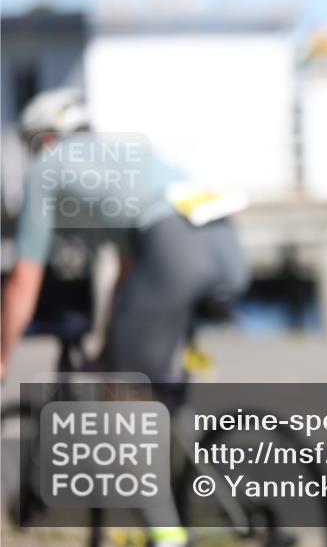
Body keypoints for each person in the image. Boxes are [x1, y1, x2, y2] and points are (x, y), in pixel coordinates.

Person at [1, 87, 250, 547]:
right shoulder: (121, 157)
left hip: (175, 251)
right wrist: (110, 340)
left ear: (44, 139)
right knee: (154, 383)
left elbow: (23, 282)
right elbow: (131, 270)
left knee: (121, 399)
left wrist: (2, 357)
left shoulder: (49, 168)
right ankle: (224, 502)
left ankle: (168, 535)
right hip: (226, 246)